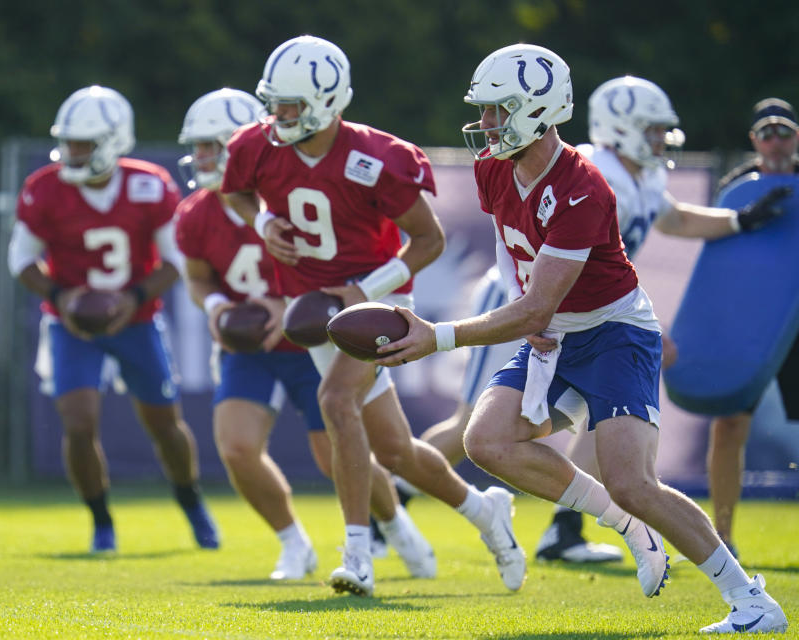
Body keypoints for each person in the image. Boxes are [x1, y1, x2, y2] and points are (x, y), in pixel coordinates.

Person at [376, 44, 788, 634]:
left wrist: (439, 336)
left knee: (634, 482)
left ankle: (750, 600)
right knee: (486, 439)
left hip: (614, 333)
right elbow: (509, 247)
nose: (486, 124)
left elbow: (538, 304)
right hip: (556, 332)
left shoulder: (583, 188)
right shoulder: (495, 166)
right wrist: (529, 310)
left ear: (537, 110)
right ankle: (625, 524)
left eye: (498, 110)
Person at [221, 35, 526, 598]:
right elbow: (235, 193)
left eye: (289, 106)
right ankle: (487, 513)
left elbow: (428, 240)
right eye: (274, 103)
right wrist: (264, 225)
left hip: (379, 302)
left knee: (335, 402)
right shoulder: (255, 146)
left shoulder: (376, 158)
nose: (277, 115)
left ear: (327, 102)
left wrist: (362, 289)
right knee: (397, 451)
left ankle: (358, 555)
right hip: (312, 306)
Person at [174, 87, 434, 581]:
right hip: (250, 347)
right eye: (200, 146)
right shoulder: (197, 213)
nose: (203, 157)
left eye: (213, 145)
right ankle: (293, 542)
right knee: (235, 447)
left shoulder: (289, 186)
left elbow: (334, 256)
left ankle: (395, 525)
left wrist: (286, 300)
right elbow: (197, 277)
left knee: (333, 453)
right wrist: (217, 306)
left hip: (309, 337)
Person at [7, 85, 219, 553]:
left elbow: (175, 261)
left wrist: (132, 298)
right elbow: (20, 259)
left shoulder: (149, 184)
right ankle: (101, 521)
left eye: (84, 143)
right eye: (70, 142)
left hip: (138, 320)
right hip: (71, 324)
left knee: (165, 424)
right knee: (78, 422)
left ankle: (191, 503)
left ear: (113, 141)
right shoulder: (45, 187)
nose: (73, 152)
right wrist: (61, 296)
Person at [707, 97, 799, 557]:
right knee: (728, 425)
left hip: (796, 322)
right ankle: (722, 539)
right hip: (751, 322)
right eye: (767, 131)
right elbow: (716, 260)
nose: (776, 139)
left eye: (784, 130)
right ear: (753, 140)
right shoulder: (735, 189)